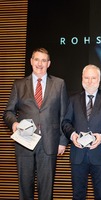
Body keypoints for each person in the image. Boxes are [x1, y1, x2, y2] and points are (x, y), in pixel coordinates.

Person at [2, 47, 69, 200]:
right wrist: (14, 124)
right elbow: (8, 113)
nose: (40, 63)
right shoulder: (19, 84)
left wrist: (63, 141)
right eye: (37, 59)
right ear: (31, 61)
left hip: (49, 143)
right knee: (25, 189)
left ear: (49, 63)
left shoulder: (59, 84)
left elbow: (64, 116)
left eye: (44, 60)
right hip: (24, 142)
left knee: (46, 191)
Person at [61, 64, 101, 200]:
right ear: (82, 79)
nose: (89, 81)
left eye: (93, 78)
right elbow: (65, 122)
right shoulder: (73, 99)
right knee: (78, 195)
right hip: (78, 156)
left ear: (99, 80)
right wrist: (72, 135)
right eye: (86, 78)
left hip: (100, 156)